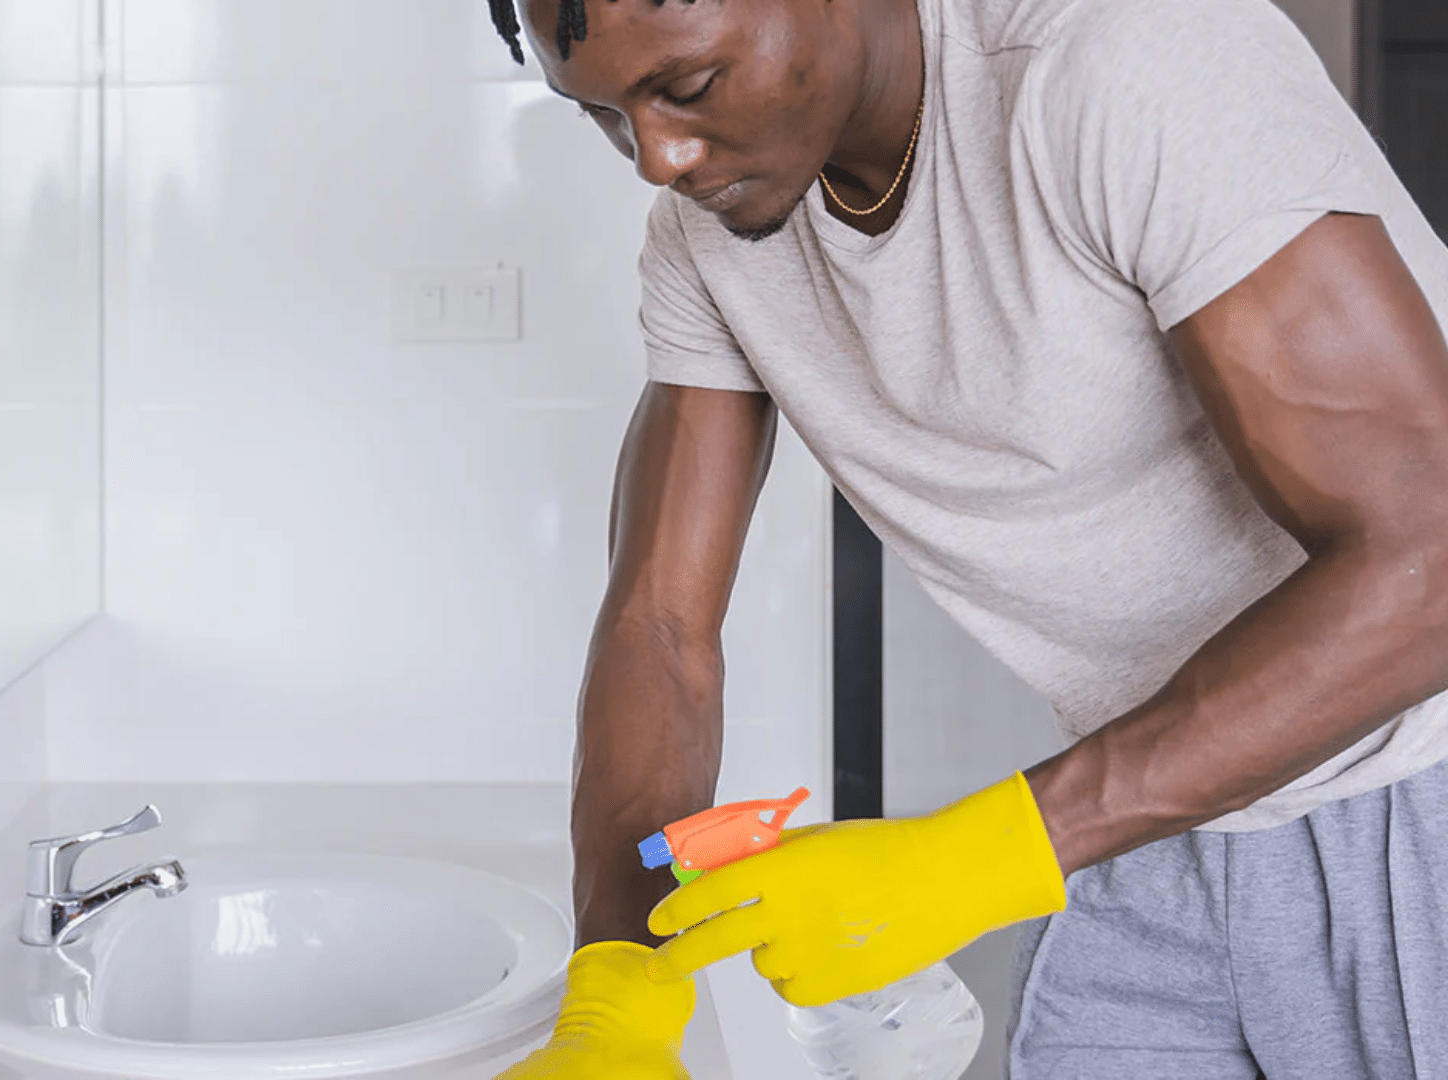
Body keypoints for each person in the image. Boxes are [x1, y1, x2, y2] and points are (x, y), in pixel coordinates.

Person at [480, 0, 1448, 1076]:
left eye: (691, 88)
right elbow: (659, 622)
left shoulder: (1126, 62)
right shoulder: (707, 245)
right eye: (606, 117)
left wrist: (981, 856)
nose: (657, 159)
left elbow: (1432, 563)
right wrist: (618, 992)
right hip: (1156, 811)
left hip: (1420, 785)